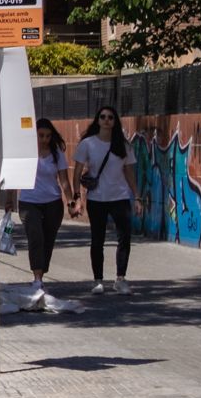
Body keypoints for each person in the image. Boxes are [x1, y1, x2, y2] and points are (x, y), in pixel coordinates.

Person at [72, 105, 139, 295]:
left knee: (124, 237)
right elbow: (77, 172)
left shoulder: (123, 145)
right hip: (97, 198)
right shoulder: (88, 144)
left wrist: (137, 196)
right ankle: (98, 280)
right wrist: (77, 197)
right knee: (97, 239)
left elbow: (129, 172)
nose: (107, 120)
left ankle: (120, 279)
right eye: (103, 117)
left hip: (120, 197)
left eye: (110, 117)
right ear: (98, 120)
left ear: (115, 121)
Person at [20, 119, 71, 307]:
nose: (44, 139)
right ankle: (37, 278)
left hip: (53, 202)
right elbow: (14, 175)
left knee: (48, 239)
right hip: (29, 201)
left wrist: (71, 200)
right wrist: (9, 198)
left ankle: (41, 273)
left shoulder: (57, 153)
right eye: (41, 136)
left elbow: (64, 180)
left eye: (48, 136)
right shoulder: (25, 152)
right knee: (36, 237)